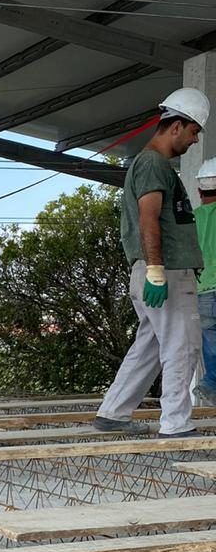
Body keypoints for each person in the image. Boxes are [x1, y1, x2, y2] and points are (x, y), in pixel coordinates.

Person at [94, 87, 209, 437]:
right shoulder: (154, 164)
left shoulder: (149, 165)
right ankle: (175, 423)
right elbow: (149, 218)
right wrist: (157, 270)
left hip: (154, 271)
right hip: (167, 272)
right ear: (176, 126)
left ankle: (113, 413)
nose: (194, 141)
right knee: (182, 346)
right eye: (193, 133)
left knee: (150, 346)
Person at [194, 157, 216, 405]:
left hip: (203, 290)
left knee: (211, 341)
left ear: (200, 190)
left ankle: (211, 384)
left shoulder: (192, 219)